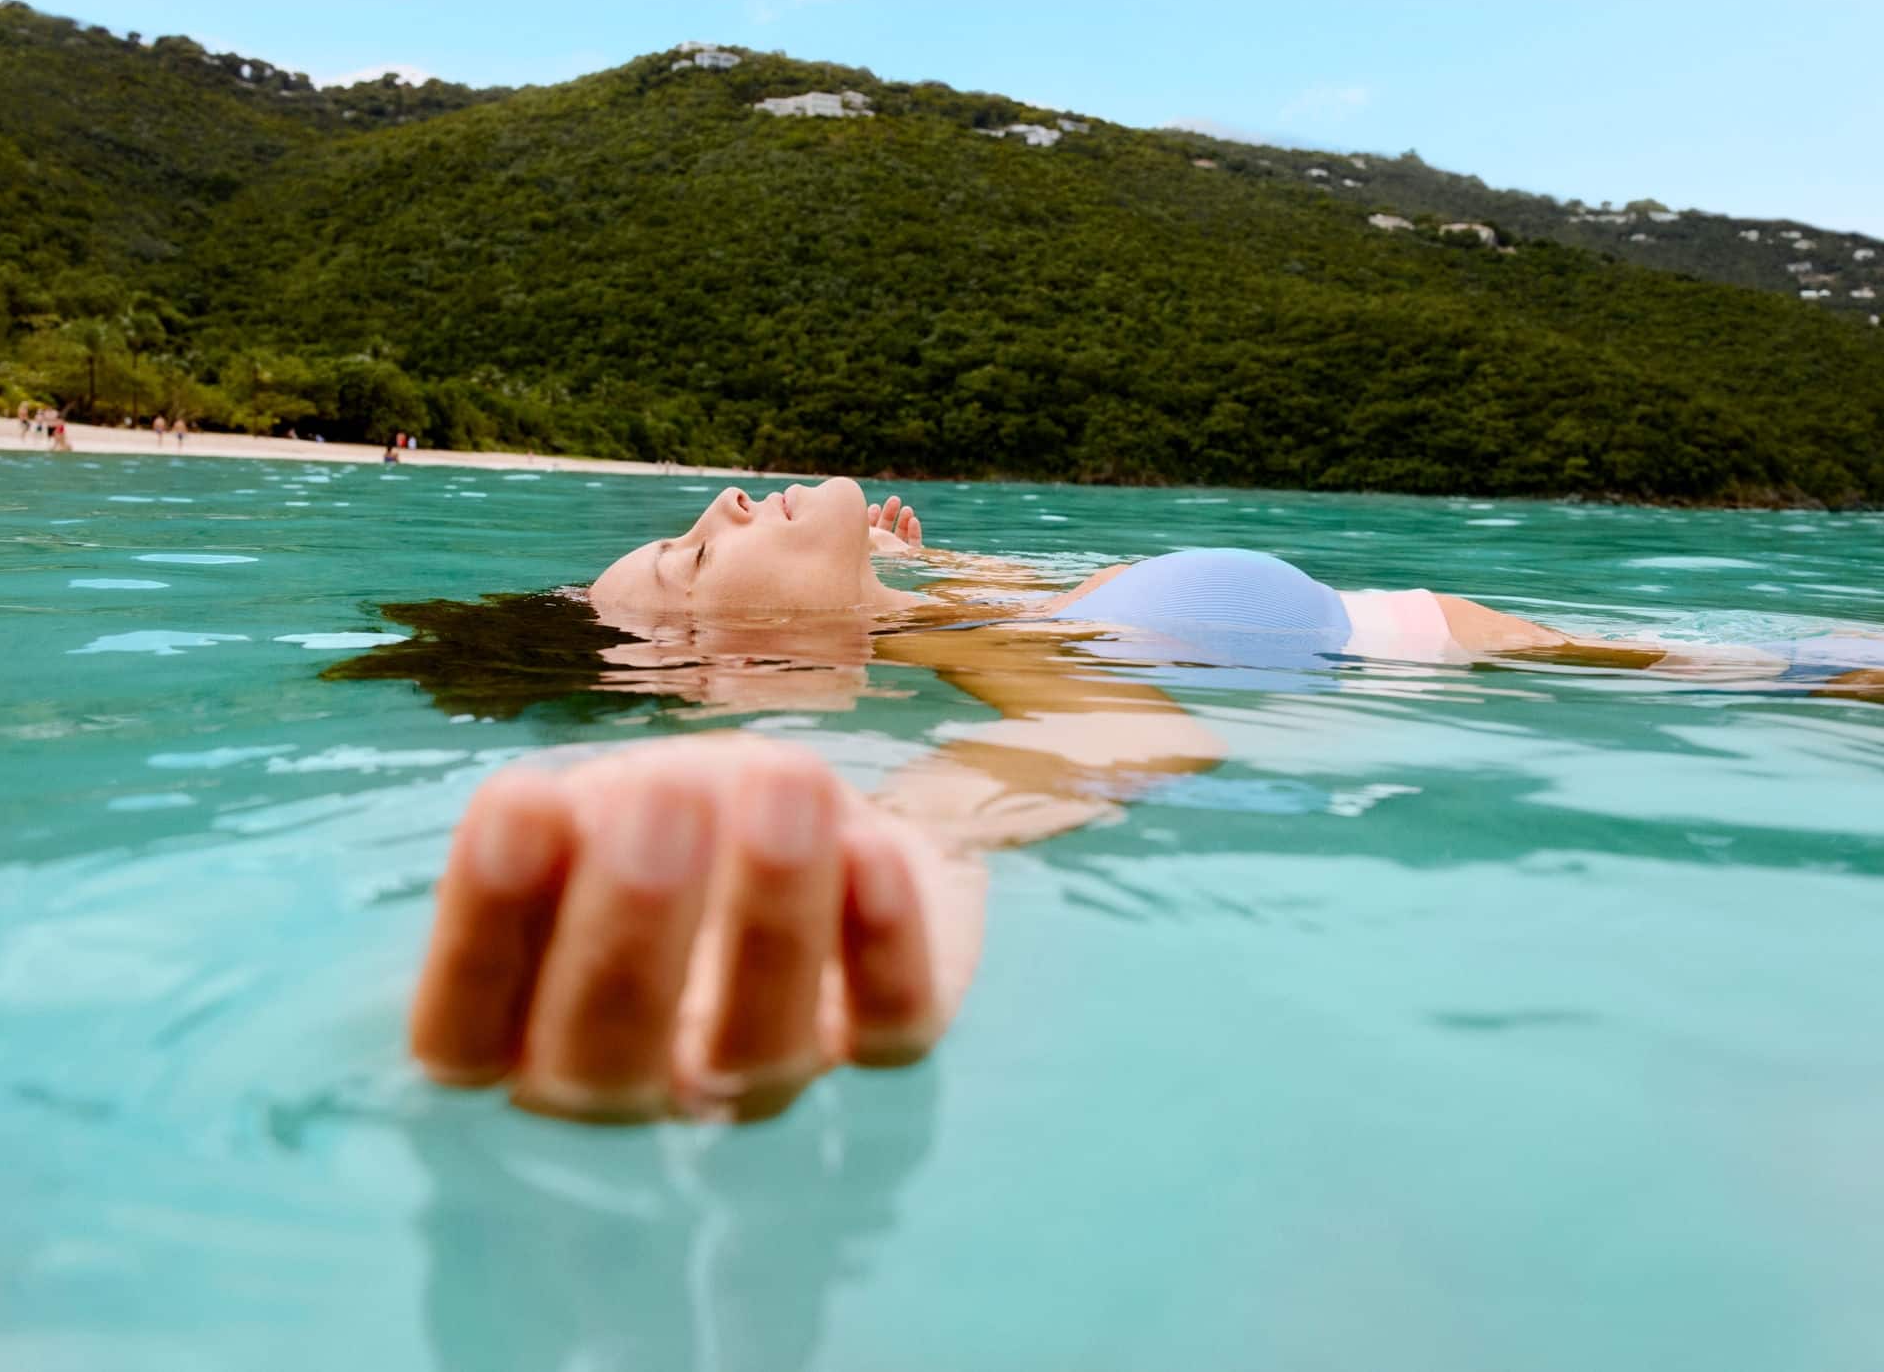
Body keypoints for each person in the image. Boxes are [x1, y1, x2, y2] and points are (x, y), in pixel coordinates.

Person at [404, 477, 1884, 1128]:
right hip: (1698, 680)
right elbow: (1110, 732)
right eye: (686, 559)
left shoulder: (938, 605)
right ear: (744, 665)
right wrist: (922, 838)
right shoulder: (973, 651)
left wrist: (899, 564)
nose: (718, 507)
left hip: (1588, 658)